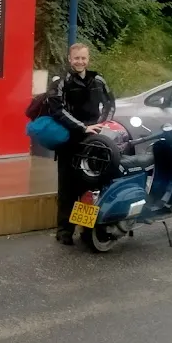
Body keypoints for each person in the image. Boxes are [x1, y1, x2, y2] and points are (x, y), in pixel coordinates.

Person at [47, 43, 115, 245]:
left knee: (89, 187)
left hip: (92, 142)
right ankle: (64, 231)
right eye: (76, 58)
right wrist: (83, 127)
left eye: (83, 58)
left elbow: (110, 103)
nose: (80, 62)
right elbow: (56, 110)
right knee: (67, 188)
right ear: (70, 59)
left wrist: (101, 124)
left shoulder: (98, 79)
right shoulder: (61, 81)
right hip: (69, 141)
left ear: (88, 59)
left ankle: (87, 230)